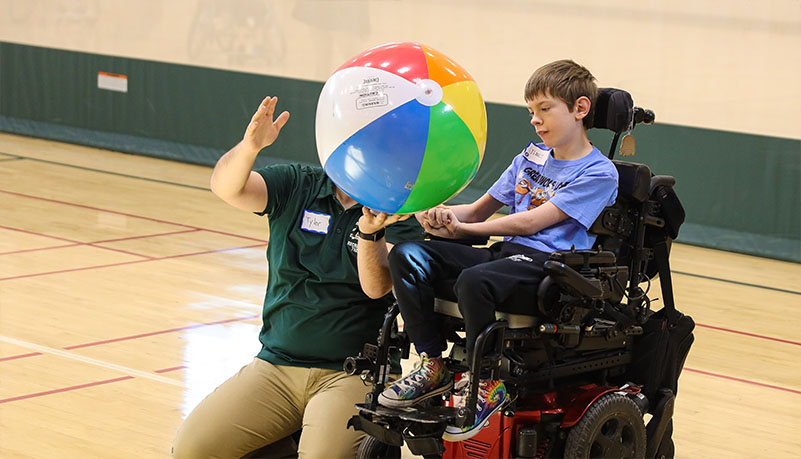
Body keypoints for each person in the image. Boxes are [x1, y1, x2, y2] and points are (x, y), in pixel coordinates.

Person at [364, 59, 619, 441]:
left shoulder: (600, 172)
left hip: (547, 267)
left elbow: (531, 222)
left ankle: (485, 383)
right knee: (408, 254)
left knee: (474, 280)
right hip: (505, 256)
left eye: (545, 109)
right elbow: (478, 210)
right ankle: (432, 363)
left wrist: (465, 229)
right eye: (531, 112)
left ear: (580, 109)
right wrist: (438, 215)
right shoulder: (529, 157)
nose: (535, 120)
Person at [172, 96, 422, 458]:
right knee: (192, 449)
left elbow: (377, 286)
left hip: (350, 374)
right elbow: (227, 188)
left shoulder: (399, 214)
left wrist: (370, 232)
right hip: (276, 366)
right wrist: (250, 147)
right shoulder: (298, 184)